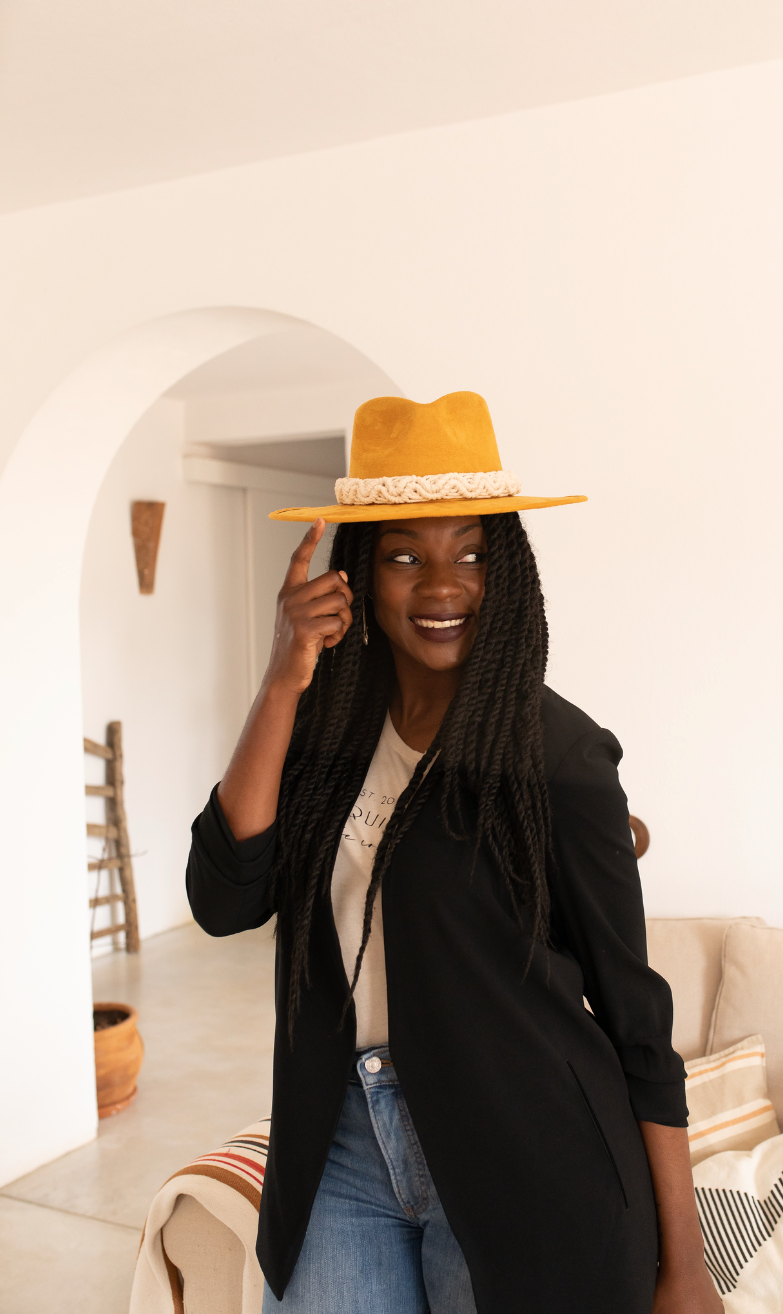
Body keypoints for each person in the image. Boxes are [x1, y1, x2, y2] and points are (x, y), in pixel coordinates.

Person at [187, 392, 723, 1314]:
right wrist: (282, 677)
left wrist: (686, 1269)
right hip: (341, 1146)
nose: (442, 587)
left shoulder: (559, 755)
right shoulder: (323, 731)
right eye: (405, 557)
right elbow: (223, 899)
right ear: (359, 573)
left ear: (504, 570)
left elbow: (638, 1020)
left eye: (471, 554)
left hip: (530, 1153)